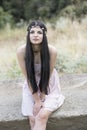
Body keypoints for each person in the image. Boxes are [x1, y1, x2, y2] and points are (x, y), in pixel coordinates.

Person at [17, 20, 65, 130]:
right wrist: (36, 100)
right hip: (31, 84)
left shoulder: (51, 50)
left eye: (39, 32)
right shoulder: (21, 51)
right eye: (32, 32)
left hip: (48, 84)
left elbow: (49, 75)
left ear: (44, 35)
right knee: (33, 118)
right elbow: (28, 77)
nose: (35, 35)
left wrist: (42, 96)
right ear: (28, 34)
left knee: (41, 116)